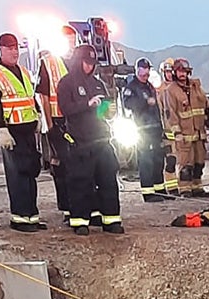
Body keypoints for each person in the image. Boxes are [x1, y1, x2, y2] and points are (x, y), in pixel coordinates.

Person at [57, 44, 123, 235]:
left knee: (108, 180)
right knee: (80, 183)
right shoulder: (66, 83)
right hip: (80, 142)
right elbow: (66, 109)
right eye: (87, 62)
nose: (90, 67)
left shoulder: (98, 83)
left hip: (102, 140)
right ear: (79, 61)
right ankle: (80, 222)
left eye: (93, 63)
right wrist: (87, 104)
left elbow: (102, 112)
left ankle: (111, 220)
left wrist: (107, 111)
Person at [0, 33, 44, 231]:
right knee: (17, 175)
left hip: (28, 130)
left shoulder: (24, 72)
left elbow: (30, 97)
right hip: (11, 132)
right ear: (1, 49)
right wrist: (0, 128)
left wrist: (38, 116)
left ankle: (31, 216)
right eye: (9, 48)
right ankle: (20, 218)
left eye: (16, 47)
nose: (14, 52)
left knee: (30, 171)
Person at [163, 58, 209, 197]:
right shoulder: (170, 91)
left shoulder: (195, 87)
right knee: (186, 163)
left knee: (199, 162)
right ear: (174, 72)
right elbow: (170, 113)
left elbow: (204, 105)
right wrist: (176, 132)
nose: (182, 74)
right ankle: (185, 189)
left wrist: (208, 119)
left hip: (199, 133)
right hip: (184, 134)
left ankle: (197, 186)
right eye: (179, 71)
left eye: (185, 71)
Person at [35, 48, 72, 222]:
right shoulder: (49, 63)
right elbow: (43, 96)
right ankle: (67, 208)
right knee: (61, 164)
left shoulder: (82, 60)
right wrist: (49, 124)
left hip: (78, 122)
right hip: (58, 122)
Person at [122, 58, 166, 202]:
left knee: (158, 159)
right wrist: (144, 102)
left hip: (155, 127)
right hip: (142, 128)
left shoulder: (150, 86)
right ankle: (148, 193)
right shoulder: (131, 87)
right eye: (144, 69)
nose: (146, 72)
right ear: (138, 69)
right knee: (146, 160)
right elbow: (128, 104)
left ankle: (160, 190)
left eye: (148, 69)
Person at [157, 58, 179, 196]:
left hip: (181, 132)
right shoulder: (161, 91)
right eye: (167, 72)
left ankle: (184, 187)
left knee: (183, 161)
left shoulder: (180, 89)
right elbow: (160, 112)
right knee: (170, 160)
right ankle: (172, 188)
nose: (170, 75)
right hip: (167, 132)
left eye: (172, 72)